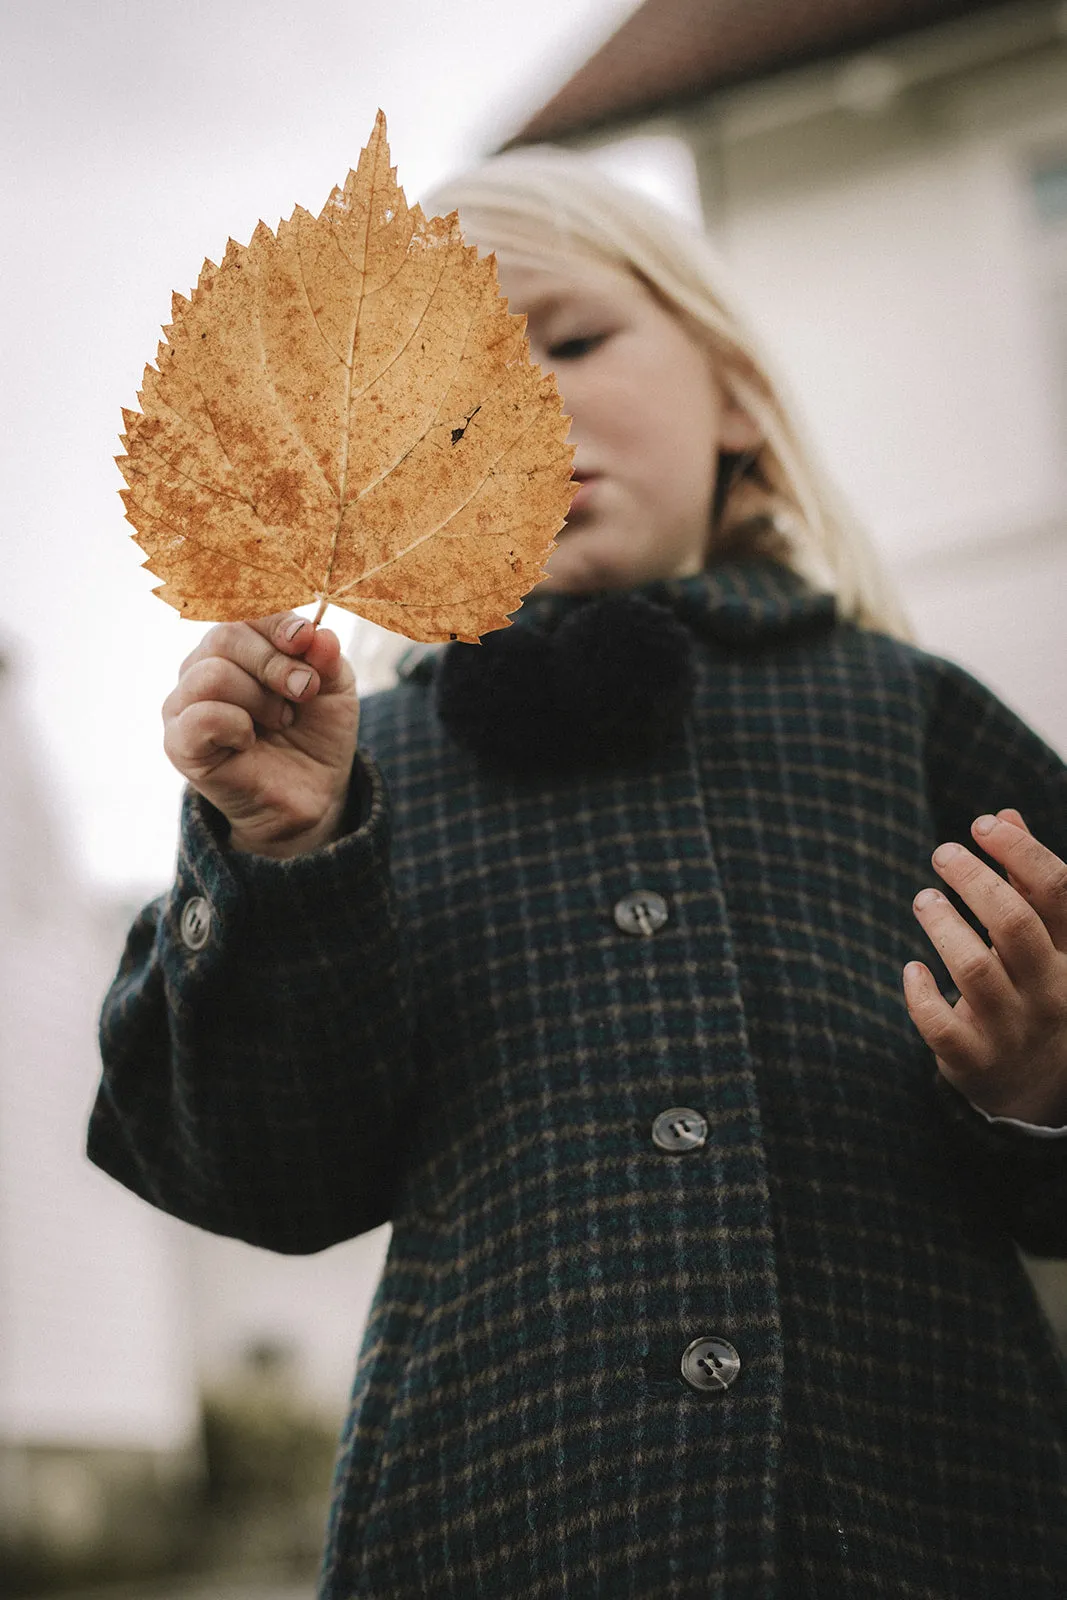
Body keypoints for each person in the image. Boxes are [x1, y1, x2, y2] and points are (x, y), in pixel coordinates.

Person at [87, 146, 1067, 1598]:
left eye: (569, 338)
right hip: (505, 1525)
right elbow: (268, 1176)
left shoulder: (905, 714)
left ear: (734, 392)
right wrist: (281, 852)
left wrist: (1034, 1092)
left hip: (923, 1507)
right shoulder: (356, 779)